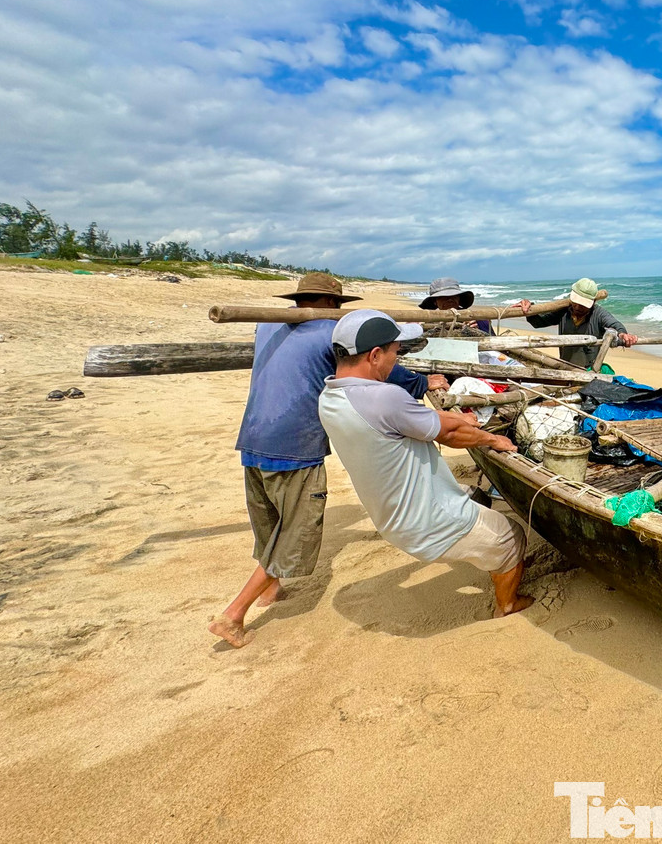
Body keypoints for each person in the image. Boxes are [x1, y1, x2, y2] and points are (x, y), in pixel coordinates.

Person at [209, 273, 447, 648]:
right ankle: (233, 614)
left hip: (253, 436)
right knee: (294, 532)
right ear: (331, 305)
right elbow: (374, 366)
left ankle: (270, 590)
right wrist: (421, 384)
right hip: (294, 444)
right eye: (336, 307)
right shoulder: (328, 333)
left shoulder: (267, 325)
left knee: (270, 521)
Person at [317, 310, 532, 617]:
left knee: (476, 497)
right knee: (512, 537)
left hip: (391, 514)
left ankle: (489, 557)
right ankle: (507, 606)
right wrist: (494, 440)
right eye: (396, 352)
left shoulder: (331, 396)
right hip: (427, 519)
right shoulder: (384, 397)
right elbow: (451, 435)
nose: (397, 359)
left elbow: (416, 420)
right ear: (375, 355)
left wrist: (455, 416)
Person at [520, 278, 637, 369]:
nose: (577, 307)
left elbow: (614, 324)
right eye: (575, 302)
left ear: (593, 301)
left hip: (589, 370)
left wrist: (622, 334)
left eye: (582, 305)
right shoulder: (564, 311)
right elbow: (539, 322)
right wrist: (530, 309)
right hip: (564, 366)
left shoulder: (599, 314)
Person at [419, 276, 527, 335]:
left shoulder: (477, 318)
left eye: (454, 295)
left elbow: (493, 343)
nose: (450, 299)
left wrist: (477, 330)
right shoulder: (429, 322)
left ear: (459, 298)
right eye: (444, 297)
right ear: (435, 302)